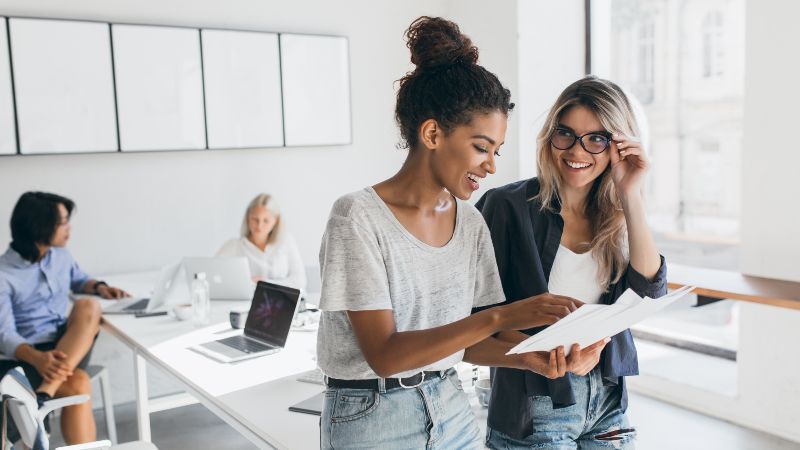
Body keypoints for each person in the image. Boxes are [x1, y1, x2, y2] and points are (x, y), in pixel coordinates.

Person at [315, 17, 582, 449]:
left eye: (497, 151)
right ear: (433, 133)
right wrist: (500, 317)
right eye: (481, 147)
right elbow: (385, 356)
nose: (491, 165)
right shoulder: (357, 218)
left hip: (450, 406)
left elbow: (468, 345)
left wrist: (535, 358)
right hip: (372, 416)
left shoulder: (470, 221)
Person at [467, 76, 667, 449]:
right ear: (550, 136)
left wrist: (631, 193)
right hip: (534, 405)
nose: (578, 151)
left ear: (617, 146)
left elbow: (649, 292)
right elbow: (476, 318)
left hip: (608, 403)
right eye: (566, 134)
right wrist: (544, 355)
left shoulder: (618, 213)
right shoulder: (507, 207)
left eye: (597, 139)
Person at [0, 192, 129, 444]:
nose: (69, 229)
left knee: (88, 306)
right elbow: (4, 335)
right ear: (40, 226)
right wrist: (38, 359)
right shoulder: (3, 273)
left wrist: (99, 286)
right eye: (63, 222)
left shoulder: (61, 256)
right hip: (25, 357)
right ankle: (40, 401)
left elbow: (79, 280)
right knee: (79, 383)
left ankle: (43, 395)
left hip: (66, 348)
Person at [216, 193, 306, 291]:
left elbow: (300, 281)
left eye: (266, 221)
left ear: (275, 221)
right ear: (247, 218)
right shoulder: (234, 246)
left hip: (282, 302)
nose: (259, 226)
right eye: (255, 219)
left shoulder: (286, 242)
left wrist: (265, 284)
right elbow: (214, 275)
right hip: (245, 303)